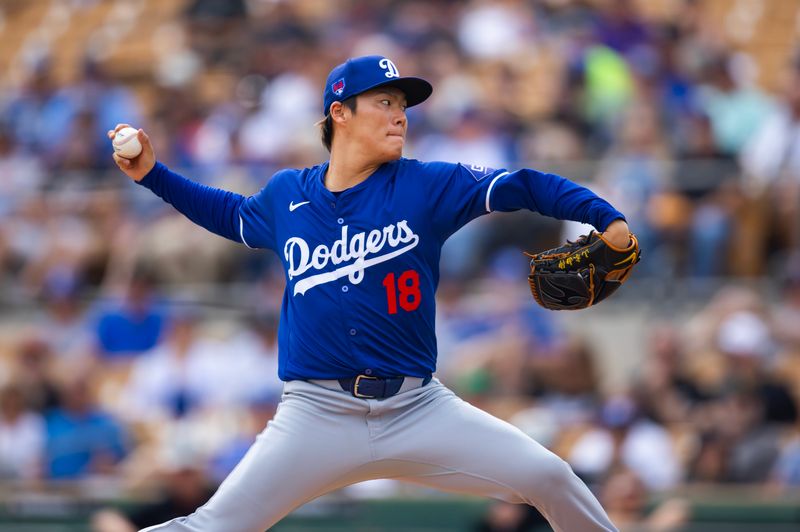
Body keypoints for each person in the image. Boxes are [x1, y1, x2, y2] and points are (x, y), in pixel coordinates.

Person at [110, 55, 632, 532]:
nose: (400, 115)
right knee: (211, 527)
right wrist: (153, 175)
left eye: (402, 105)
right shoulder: (288, 194)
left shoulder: (426, 185)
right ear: (340, 113)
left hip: (418, 409)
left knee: (551, 477)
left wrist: (604, 216)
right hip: (315, 414)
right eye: (385, 102)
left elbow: (524, 184)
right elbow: (227, 212)